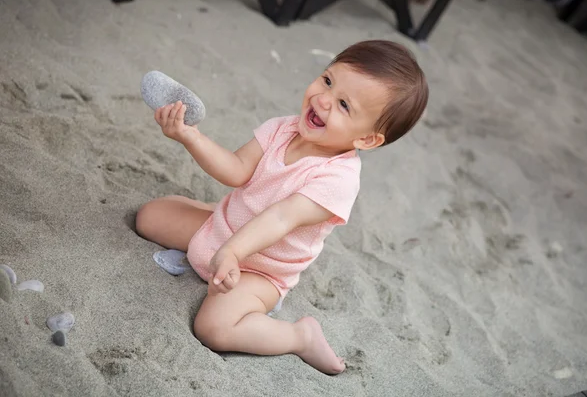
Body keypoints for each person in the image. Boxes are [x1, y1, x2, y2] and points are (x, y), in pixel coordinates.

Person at [135, 40, 428, 375]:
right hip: (225, 227)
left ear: (367, 139)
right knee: (149, 217)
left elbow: (279, 217)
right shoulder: (284, 128)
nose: (323, 100)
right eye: (328, 81)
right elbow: (236, 169)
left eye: (344, 105)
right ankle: (211, 217)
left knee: (213, 329)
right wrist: (191, 137)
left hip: (262, 269)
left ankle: (299, 336)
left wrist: (231, 252)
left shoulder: (337, 179)